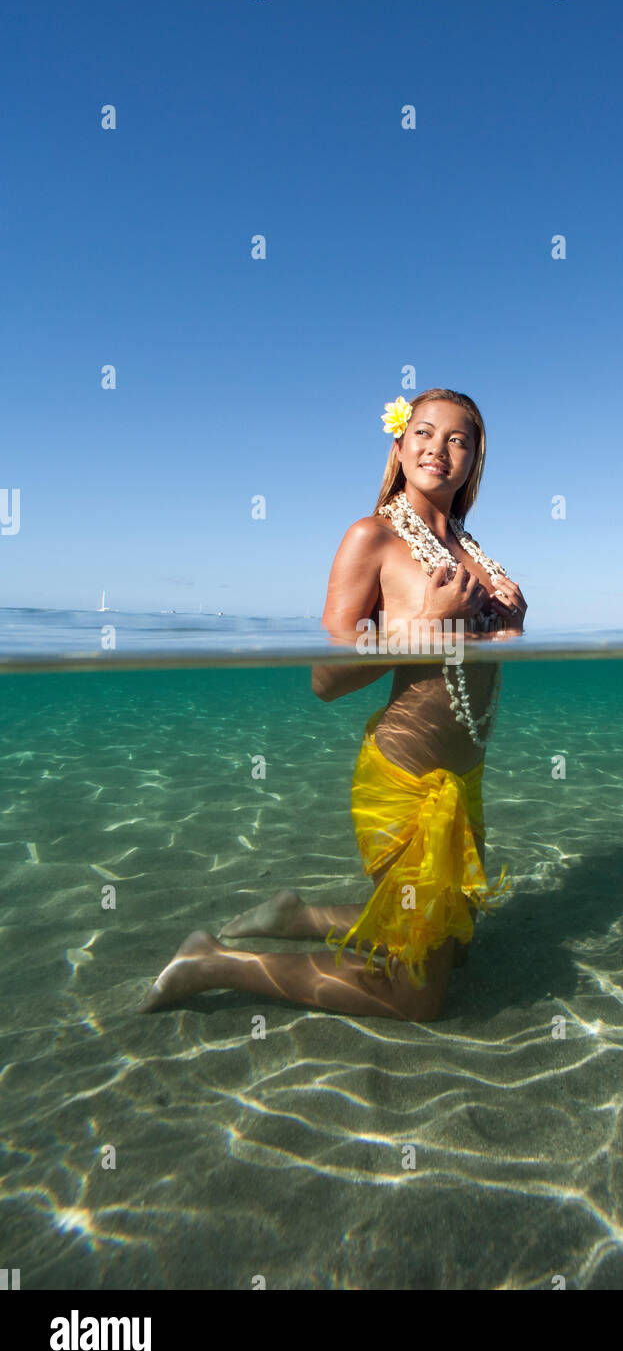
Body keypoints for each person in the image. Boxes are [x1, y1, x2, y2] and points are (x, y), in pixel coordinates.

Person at [139, 388, 526, 1021]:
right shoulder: (370, 537)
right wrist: (429, 623)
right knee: (418, 995)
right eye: (424, 432)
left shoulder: (473, 554)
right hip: (407, 779)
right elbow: (325, 678)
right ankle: (208, 960)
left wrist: (509, 622)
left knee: (454, 945)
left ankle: (299, 916)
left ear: (475, 460)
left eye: (459, 439)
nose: (439, 448)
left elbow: (472, 663)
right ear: (398, 446)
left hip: (464, 778)